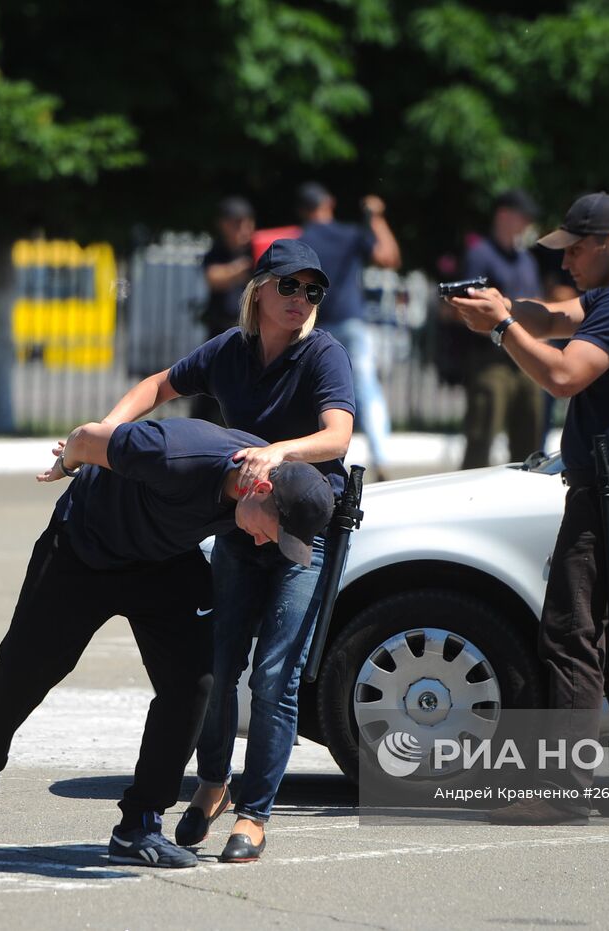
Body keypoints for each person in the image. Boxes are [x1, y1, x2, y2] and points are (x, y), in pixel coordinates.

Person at [0, 418, 336, 869]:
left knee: (194, 683)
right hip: (84, 548)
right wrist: (66, 465)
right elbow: (87, 438)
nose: (267, 542)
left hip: (162, 563)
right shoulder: (176, 454)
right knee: (22, 673)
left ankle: (139, 825)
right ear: (259, 488)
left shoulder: (260, 482)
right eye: (274, 531)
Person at [99, 238, 355, 863]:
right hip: (241, 522)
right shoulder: (231, 351)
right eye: (289, 286)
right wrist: (106, 436)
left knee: (275, 677)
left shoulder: (323, 352)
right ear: (259, 290)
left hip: (303, 529)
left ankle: (255, 816)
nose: (300, 299)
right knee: (216, 665)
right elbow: (160, 384)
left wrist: (279, 452)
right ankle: (213, 783)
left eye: (312, 290)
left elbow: (338, 434)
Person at [449, 192, 609, 823]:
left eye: (576, 251)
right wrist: (504, 308)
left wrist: (503, 330)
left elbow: (562, 374)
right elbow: (560, 317)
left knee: (571, 632)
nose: (566, 264)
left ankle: (562, 791)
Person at [297, 182, 402, 480]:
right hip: (351, 323)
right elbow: (389, 258)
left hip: (314, 325)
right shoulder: (348, 234)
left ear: (303, 210)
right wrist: (376, 217)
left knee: (317, 393)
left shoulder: (301, 240)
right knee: (366, 388)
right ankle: (381, 456)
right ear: (329, 203)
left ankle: (320, 462)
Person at [455, 189, 546, 469]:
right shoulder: (480, 254)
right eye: (523, 216)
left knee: (530, 444)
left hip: (525, 361)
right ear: (504, 215)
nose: (527, 223)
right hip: (491, 361)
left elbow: (536, 303)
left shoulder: (526, 259)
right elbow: (464, 309)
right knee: (481, 440)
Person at [195, 196, 257, 424]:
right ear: (224, 224)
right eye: (237, 223)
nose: (244, 228)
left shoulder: (257, 249)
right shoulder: (218, 251)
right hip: (221, 330)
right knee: (208, 390)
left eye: (247, 222)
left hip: (252, 331)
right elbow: (213, 277)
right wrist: (242, 267)